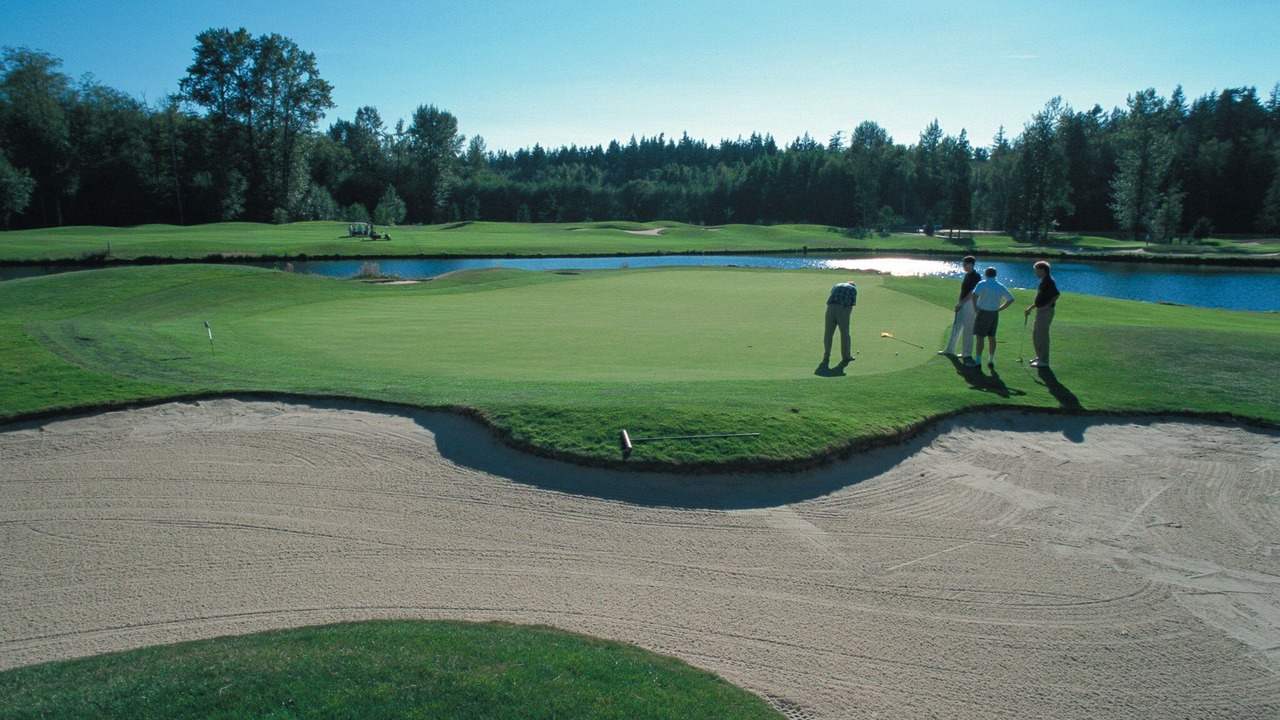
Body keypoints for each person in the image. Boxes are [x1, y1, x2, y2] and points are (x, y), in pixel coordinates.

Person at [967, 267, 1015, 368]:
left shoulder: (982, 283)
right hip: (994, 313)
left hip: (983, 312)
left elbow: (974, 295)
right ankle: (991, 359)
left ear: (985, 274)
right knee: (992, 337)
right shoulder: (1000, 286)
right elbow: (1010, 299)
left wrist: (975, 307)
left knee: (980, 338)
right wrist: (1000, 308)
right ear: (995, 275)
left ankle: (978, 361)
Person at [939, 255, 980, 360]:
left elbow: (972, 293)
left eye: (965, 264)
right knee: (956, 326)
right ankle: (950, 349)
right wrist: (959, 302)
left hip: (970, 303)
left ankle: (966, 353)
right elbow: (963, 291)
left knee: (968, 329)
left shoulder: (976, 276)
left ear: (970, 264)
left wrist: (961, 303)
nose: (963, 266)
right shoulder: (967, 275)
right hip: (962, 302)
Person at [1024, 260, 1060, 368]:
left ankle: (1044, 360)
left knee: (1042, 335)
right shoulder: (1043, 282)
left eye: (1036, 270)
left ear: (1042, 270)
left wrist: (1046, 306)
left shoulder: (1049, 281)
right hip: (1040, 310)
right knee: (1036, 335)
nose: (1035, 273)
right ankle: (1039, 357)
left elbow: (1056, 295)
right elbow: (1040, 299)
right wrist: (1030, 308)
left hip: (1045, 312)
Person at [822, 280, 857, 365]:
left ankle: (826, 355)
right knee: (845, 333)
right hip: (842, 308)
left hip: (830, 308)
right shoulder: (853, 289)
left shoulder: (837, 285)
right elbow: (851, 305)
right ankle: (846, 356)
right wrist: (847, 316)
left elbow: (830, 297)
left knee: (828, 333)